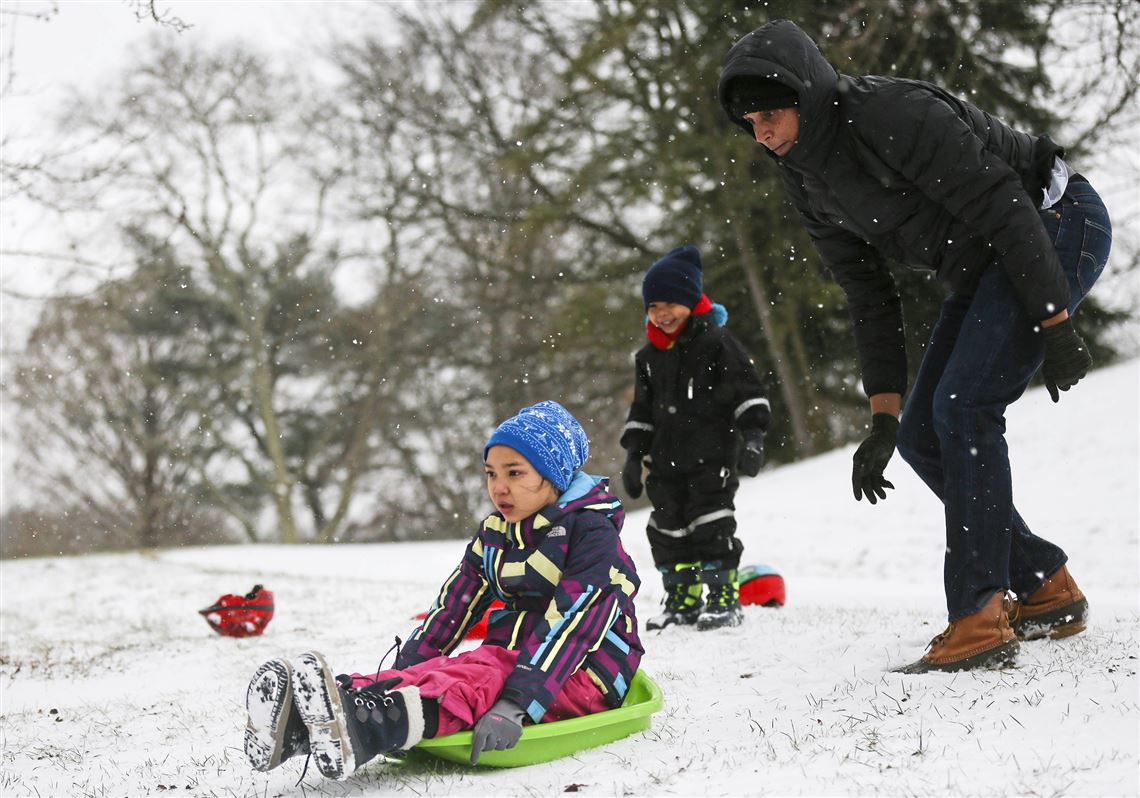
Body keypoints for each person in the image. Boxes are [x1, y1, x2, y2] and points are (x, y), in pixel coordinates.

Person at [717, 20, 1111, 672]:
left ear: (805, 95)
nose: (761, 134)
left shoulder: (889, 113)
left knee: (964, 405)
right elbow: (869, 296)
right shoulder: (806, 180)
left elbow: (1004, 203)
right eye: (750, 123)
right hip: (984, 264)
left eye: (770, 115)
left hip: (1054, 223)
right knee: (922, 431)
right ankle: (1044, 585)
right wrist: (882, 417)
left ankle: (979, 617)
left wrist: (1055, 321)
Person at [243, 401, 643, 779]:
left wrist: (516, 703)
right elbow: (451, 611)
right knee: (442, 672)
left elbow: (573, 627)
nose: (499, 488)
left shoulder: (592, 534)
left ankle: (373, 726)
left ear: (553, 476)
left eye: (514, 473)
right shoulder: (497, 533)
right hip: (513, 658)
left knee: (475, 680)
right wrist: (403, 673)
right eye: (491, 474)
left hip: (585, 671)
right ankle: (310, 721)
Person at [620, 245, 771, 631]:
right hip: (664, 462)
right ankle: (682, 600)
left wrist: (754, 436)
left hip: (711, 457)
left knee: (711, 524)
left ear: (691, 300)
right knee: (667, 530)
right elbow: (642, 411)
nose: (662, 314)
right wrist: (634, 457)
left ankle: (723, 597)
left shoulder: (717, 344)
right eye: (654, 306)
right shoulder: (648, 358)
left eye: (671, 303)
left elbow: (747, 391)